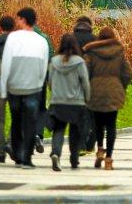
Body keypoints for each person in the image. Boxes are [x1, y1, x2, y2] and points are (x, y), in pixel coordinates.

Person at [0, 7, 49, 169]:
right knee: (30, 123)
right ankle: (27, 158)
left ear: (22, 19)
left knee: (16, 121)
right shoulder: (41, 41)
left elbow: (6, 64)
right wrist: (40, 84)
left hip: (14, 87)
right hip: (33, 88)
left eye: (18, 19)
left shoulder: (13, 38)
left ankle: (18, 154)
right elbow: (43, 67)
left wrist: (3, 88)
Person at [84, 27, 132, 171]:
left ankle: (99, 149)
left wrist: (90, 84)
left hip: (96, 91)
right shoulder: (119, 52)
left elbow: (86, 71)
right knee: (111, 125)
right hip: (114, 91)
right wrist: (120, 85)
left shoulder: (91, 52)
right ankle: (109, 158)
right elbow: (128, 73)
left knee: (98, 124)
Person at [47, 34, 90, 172]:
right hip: (76, 103)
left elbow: (50, 82)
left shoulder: (54, 62)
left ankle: (55, 153)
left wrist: (55, 93)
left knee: (58, 130)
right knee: (75, 132)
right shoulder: (79, 62)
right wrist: (87, 98)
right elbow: (85, 82)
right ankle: (74, 158)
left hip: (58, 102)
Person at [73, 16, 97, 154]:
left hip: (74, 81)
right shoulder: (95, 40)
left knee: (78, 114)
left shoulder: (70, 38)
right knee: (91, 114)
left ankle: (80, 144)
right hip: (91, 80)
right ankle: (90, 143)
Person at [0, 15, 15, 163]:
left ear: (0, 26)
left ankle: (1, 152)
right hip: (13, 83)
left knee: (0, 120)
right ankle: (9, 142)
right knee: (16, 117)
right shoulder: (16, 42)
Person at [32, 23, 54, 156]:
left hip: (26, 77)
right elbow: (51, 58)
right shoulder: (45, 38)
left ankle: (27, 137)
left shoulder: (23, 38)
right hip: (42, 76)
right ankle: (38, 135)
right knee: (40, 107)